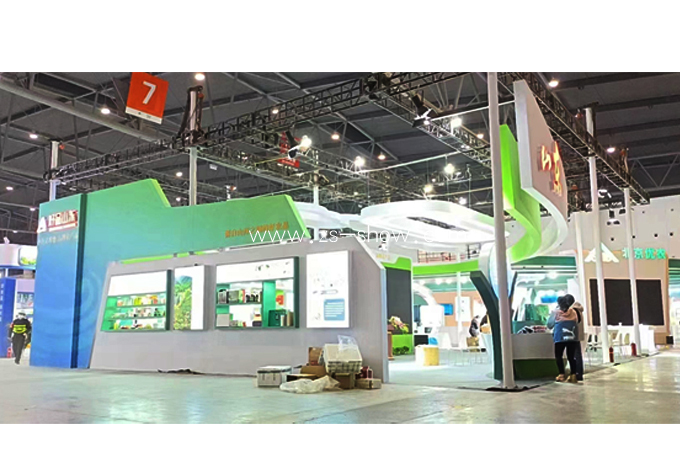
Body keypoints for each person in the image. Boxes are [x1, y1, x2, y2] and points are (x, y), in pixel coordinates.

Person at [547, 295, 581, 383]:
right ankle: (573, 375)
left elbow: (549, 325)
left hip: (560, 337)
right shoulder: (574, 312)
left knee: (559, 356)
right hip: (572, 337)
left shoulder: (555, 312)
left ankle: (561, 375)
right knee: (571, 356)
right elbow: (578, 321)